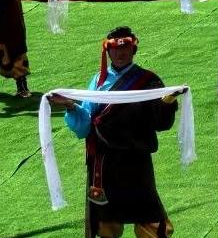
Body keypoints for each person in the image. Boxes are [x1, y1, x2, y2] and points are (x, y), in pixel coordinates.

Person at [53, 26, 179, 237]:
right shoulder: (98, 81)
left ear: (133, 49)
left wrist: (167, 101)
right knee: (105, 221)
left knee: (149, 217)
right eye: (115, 49)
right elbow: (85, 125)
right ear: (108, 52)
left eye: (125, 48)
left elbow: (161, 123)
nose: (120, 53)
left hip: (135, 160)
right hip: (104, 162)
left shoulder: (148, 81)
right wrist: (70, 106)